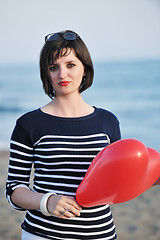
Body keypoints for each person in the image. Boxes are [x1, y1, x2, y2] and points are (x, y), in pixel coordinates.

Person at [5, 29, 121, 240]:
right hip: (42, 235)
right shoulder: (28, 124)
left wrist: (150, 176)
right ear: (46, 74)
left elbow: (117, 179)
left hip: (100, 234)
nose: (62, 74)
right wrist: (46, 201)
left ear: (84, 68)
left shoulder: (108, 122)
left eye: (70, 65)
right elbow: (14, 190)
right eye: (53, 67)